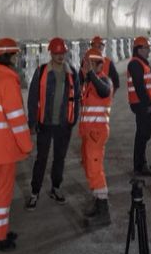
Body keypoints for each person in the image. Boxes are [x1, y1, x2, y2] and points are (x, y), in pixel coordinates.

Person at [0, 38, 32, 251]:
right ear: (7, 56)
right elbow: (17, 119)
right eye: (16, 55)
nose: (18, 59)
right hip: (4, 149)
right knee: (2, 191)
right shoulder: (7, 82)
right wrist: (27, 145)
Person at [26, 37, 80, 209]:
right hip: (45, 123)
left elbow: (76, 98)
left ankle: (56, 188)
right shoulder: (41, 71)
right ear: (51, 53)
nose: (60, 56)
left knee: (60, 158)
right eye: (56, 53)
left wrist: (73, 119)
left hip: (64, 125)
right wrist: (32, 121)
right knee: (41, 159)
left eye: (62, 52)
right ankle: (35, 192)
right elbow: (33, 97)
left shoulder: (71, 72)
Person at [79, 48, 113, 225]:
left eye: (94, 63)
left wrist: (91, 74)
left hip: (97, 134)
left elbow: (105, 91)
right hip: (88, 134)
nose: (90, 67)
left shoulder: (104, 81)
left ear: (101, 64)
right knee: (89, 169)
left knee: (95, 170)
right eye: (88, 63)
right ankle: (97, 202)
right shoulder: (88, 84)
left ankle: (103, 212)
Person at [126, 36, 151, 176]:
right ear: (139, 50)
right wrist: (148, 104)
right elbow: (139, 86)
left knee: (144, 134)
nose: (149, 50)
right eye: (146, 48)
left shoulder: (143, 63)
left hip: (147, 104)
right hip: (142, 105)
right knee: (142, 134)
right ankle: (139, 166)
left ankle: (142, 163)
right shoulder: (135, 64)